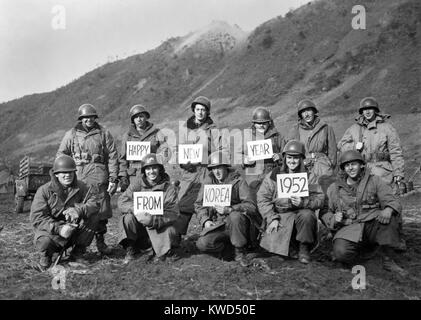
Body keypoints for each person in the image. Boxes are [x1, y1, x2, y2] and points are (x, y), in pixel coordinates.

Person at [320, 150, 406, 275]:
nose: (351, 168)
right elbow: (324, 211)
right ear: (343, 168)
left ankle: (388, 259)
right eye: (347, 165)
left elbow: (392, 200)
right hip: (349, 227)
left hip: (372, 224)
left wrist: (388, 209)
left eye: (353, 164)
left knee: (391, 219)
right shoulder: (335, 188)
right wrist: (333, 218)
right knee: (341, 253)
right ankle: (362, 255)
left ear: (361, 165)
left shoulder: (374, 181)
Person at [56, 103, 119, 255]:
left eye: (91, 117)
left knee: (101, 212)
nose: (89, 120)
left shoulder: (104, 133)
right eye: (85, 117)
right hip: (78, 178)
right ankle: (76, 245)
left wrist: (113, 177)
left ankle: (101, 242)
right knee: (77, 210)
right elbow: (61, 154)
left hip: (99, 178)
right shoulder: (71, 134)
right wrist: (63, 174)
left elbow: (112, 156)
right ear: (81, 119)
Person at [257, 140, 325, 264]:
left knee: (307, 215)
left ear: (301, 159)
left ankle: (304, 248)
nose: (292, 161)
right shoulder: (274, 174)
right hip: (280, 216)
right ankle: (290, 248)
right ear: (284, 158)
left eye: (296, 158)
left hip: (301, 218)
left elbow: (320, 199)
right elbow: (262, 198)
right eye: (289, 157)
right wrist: (272, 218)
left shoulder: (309, 176)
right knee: (275, 249)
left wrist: (304, 203)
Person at [30, 155, 99, 271]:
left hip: (74, 231)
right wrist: (59, 229)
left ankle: (77, 254)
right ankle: (46, 257)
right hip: (52, 234)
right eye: (63, 172)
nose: (67, 175)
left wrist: (79, 210)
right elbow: (37, 218)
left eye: (70, 172)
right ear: (56, 174)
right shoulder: (44, 191)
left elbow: (95, 204)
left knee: (94, 216)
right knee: (43, 241)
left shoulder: (81, 187)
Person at [195, 151, 261, 267]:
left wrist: (230, 209)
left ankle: (240, 251)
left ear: (226, 167)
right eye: (213, 168)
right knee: (202, 243)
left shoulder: (238, 181)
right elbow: (199, 205)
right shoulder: (208, 183)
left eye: (219, 167)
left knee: (234, 216)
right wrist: (205, 220)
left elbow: (251, 206)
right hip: (219, 225)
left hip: (238, 225)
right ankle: (229, 248)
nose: (216, 171)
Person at [118, 153, 181, 263]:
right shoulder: (137, 184)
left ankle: (161, 250)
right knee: (127, 218)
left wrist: (153, 220)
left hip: (158, 226)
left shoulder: (168, 188)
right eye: (148, 169)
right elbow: (122, 201)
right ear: (144, 171)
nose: (151, 172)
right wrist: (135, 209)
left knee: (171, 230)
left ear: (160, 169)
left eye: (154, 168)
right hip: (140, 229)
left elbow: (173, 213)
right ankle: (131, 248)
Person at [176, 96, 223, 237]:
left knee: (208, 203)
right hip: (189, 173)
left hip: (206, 171)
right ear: (193, 110)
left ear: (207, 112)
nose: (200, 112)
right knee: (183, 204)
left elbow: (219, 150)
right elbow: (180, 150)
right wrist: (183, 162)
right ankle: (175, 238)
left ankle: (210, 235)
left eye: (203, 110)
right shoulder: (185, 129)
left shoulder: (213, 129)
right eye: (198, 109)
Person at [338, 97, 404, 191]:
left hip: (383, 171)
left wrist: (398, 172)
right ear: (361, 112)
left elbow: (395, 151)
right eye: (364, 110)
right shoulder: (354, 129)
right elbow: (341, 146)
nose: (367, 112)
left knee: (386, 199)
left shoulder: (387, 128)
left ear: (375, 110)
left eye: (370, 109)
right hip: (361, 172)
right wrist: (354, 146)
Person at [286, 99, 337, 191]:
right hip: (303, 167)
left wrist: (329, 165)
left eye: (309, 110)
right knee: (307, 194)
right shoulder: (295, 130)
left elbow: (332, 152)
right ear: (300, 115)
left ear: (314, 111)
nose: (307, 114)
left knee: (329, 192)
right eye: (303, 112)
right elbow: (289, 151)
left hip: (323, 166)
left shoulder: (326, 128)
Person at [118, 104, 168, 191]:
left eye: (141, 116)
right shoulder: (127, 136)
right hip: (134, 174)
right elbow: (123, 158)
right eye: (136, 117)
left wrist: (159, 162)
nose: (139, 119)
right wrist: (123, 176)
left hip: (151, 173)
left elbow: (166, 150)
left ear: (146, 117)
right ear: (133, 120)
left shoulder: (156, 132)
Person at [242, 106, 285, 194]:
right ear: (254, 123)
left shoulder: (277, 136)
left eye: (264, 123)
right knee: (254, 201)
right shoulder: (247, 136)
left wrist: (279, 156)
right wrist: (244, 160)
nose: (261, 125)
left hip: (271, 174)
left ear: (269, 122)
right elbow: (237, 155)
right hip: (253, 177)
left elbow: (286, 153)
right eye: (258, 123)